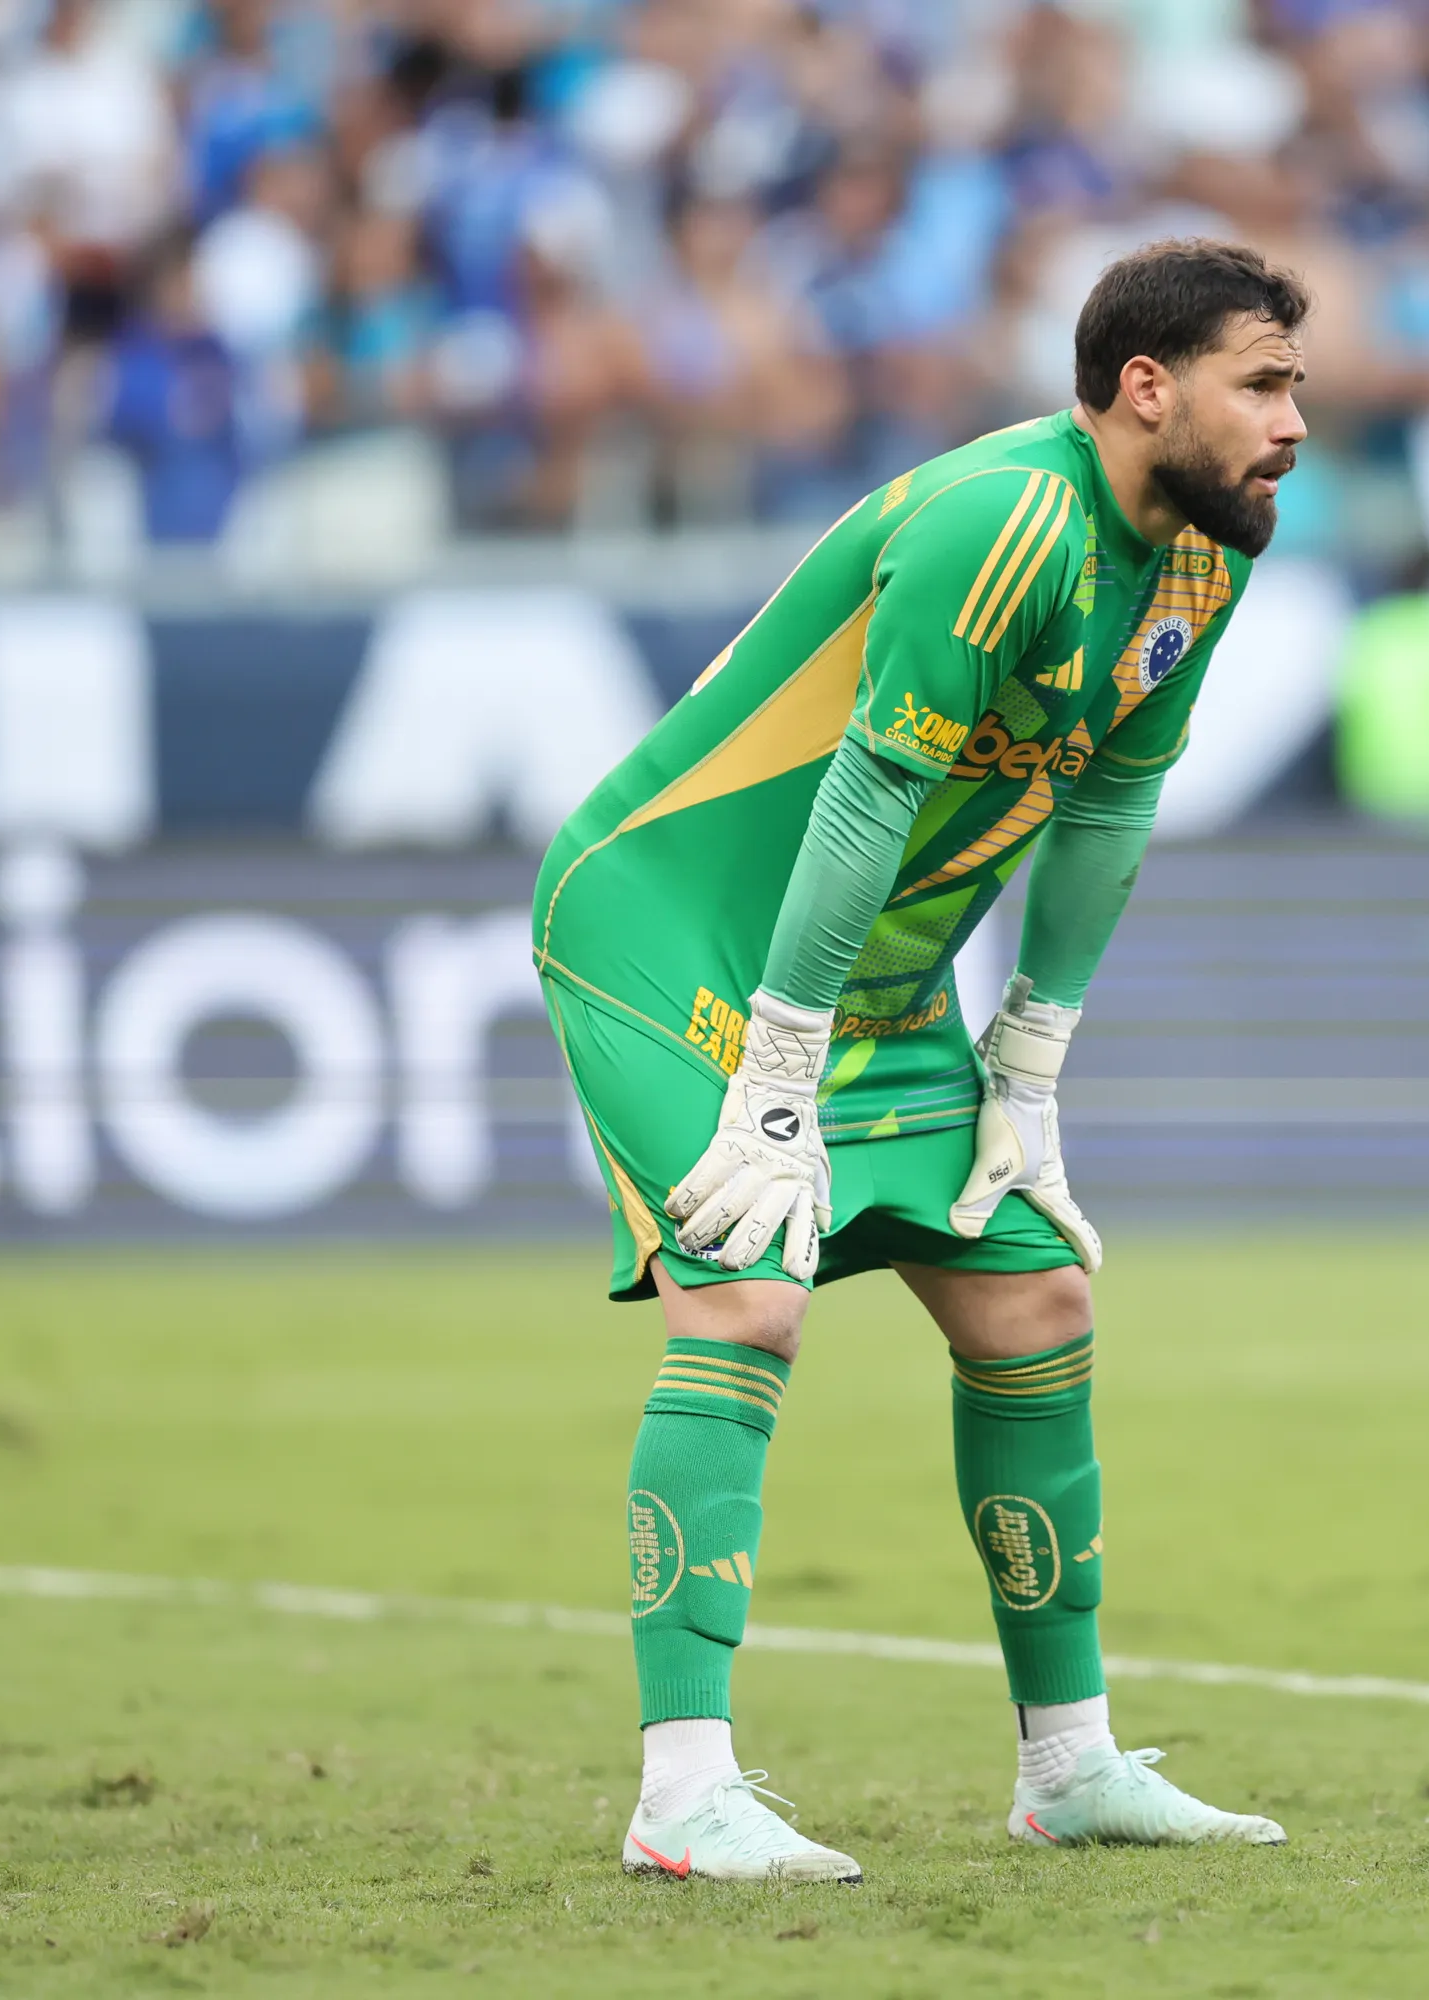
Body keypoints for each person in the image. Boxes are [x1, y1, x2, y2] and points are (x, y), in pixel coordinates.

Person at [533, 238, 1308, 1884]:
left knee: (1037, 1301)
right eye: (1264, 382)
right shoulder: (998, 518)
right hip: (678, 931)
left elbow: (1106, 800)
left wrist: (1027, 1069)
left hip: (870, 968)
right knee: (746, 1292)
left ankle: (1070, 1769)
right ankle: (682, 1794)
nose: (1292, 421)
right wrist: (780, 1069)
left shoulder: (1208, 557)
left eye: (1294, 384)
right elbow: (870, 797)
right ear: (1146, 386)